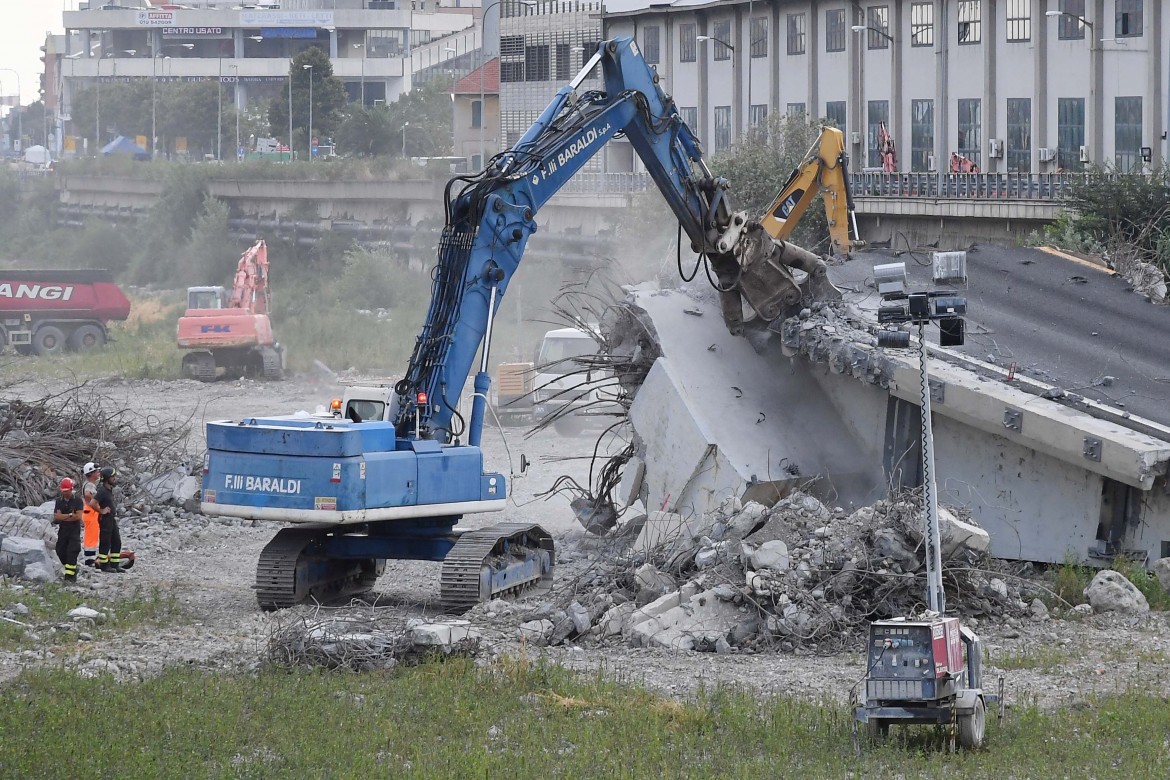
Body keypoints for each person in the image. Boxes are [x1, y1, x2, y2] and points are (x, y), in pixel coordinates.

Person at [52, 478, 84, 583]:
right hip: (63, 531)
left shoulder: (78, 500)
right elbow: (57, 517)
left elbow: (78, 517)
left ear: (71, 489)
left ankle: (70, 577)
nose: (65, 493)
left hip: (74, 531)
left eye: (67, 491)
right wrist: (70, 515)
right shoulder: (59, 501)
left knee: (72, 552)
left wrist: (64, 516)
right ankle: (72, 570)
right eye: (64, 491)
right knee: (60, 551)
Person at [94, 466, 125, 573]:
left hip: (111, 519)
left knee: (116, 542)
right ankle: (104, 565)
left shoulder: (109, 489)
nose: (115, 478)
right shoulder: (102, 491)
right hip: (105, 520)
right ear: (107, 478)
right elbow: (93, 503)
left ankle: (114, 564)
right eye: (113, 477)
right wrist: (101, 511)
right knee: (105, 542)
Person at [80, 461, 101, 567]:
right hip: (90, 512)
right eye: (97, 471)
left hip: (90, 512)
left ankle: (90, 557)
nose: (98, 473)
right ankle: (89, 559)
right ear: (91, 473)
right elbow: (87, 495)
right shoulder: (89, 485)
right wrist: (95, 502)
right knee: (91, 535)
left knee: (92, 534)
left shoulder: (90, 484)